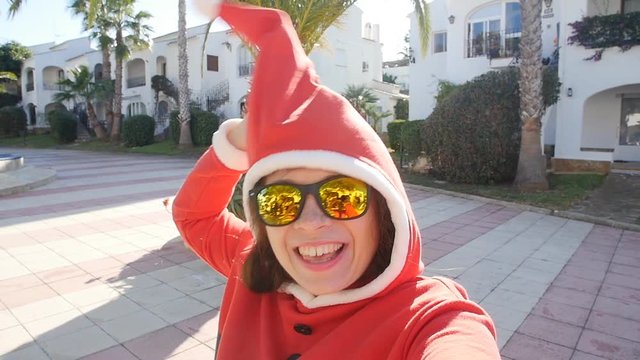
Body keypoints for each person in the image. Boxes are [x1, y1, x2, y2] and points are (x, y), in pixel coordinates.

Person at [173, 2, 501, 359]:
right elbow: (194, 217)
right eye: (280, 201)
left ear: (382, 209)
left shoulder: (427, 317)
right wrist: (238, 140)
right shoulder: (252, 263)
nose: (311, 222)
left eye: (342, 195)